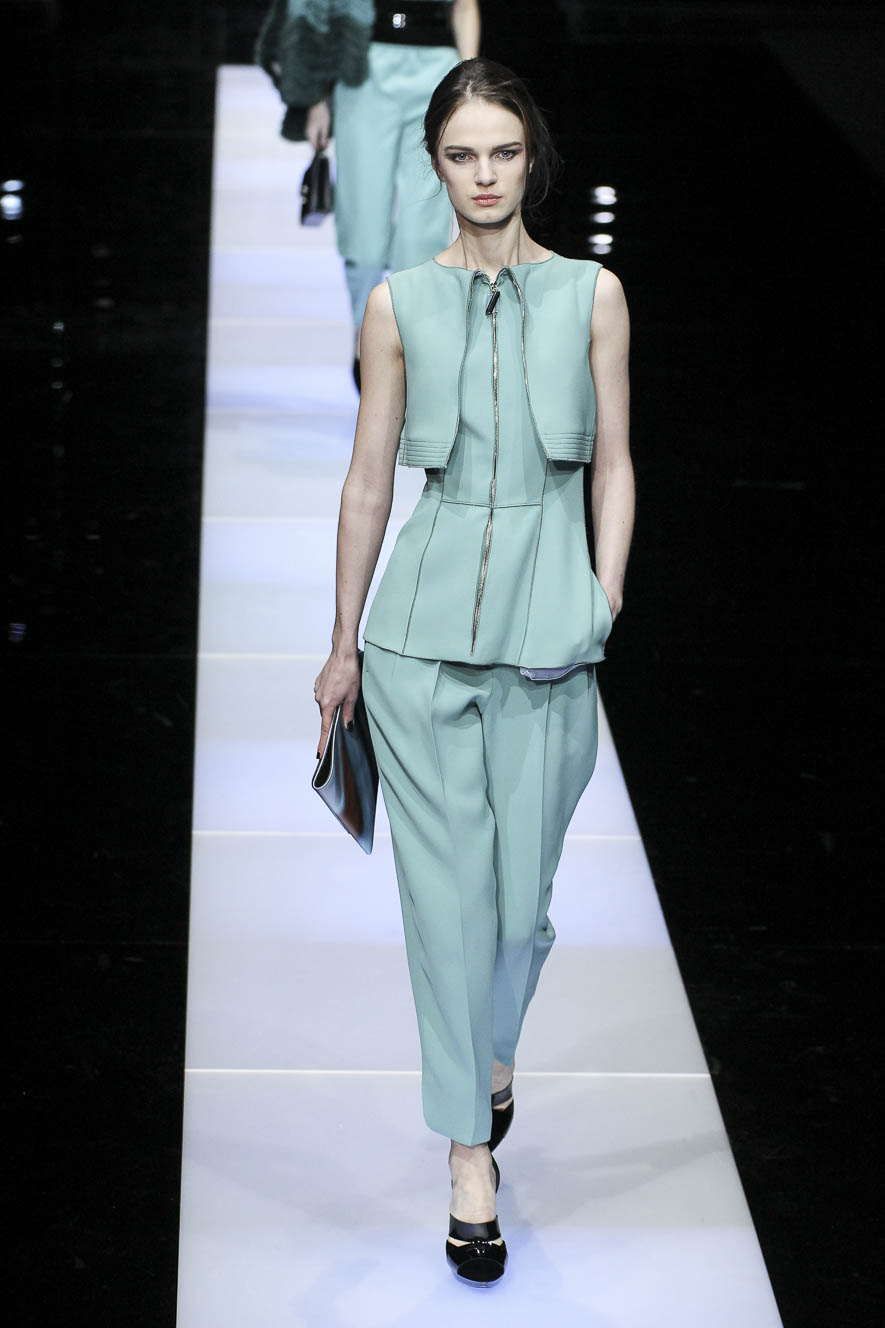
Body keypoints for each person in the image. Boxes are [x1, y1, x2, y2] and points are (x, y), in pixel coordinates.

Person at [313, 57, 634, 1286]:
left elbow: (615, 460)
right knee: (446, 905)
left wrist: (604, 596)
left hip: (553, 637)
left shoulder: (594, 294)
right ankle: (467, 1155)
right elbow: (368, 479)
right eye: (463, 154)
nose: (485, 175)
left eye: (504, 152)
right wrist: (343, 640)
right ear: (436, 164)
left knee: (518, 907)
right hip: (419, 638)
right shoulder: (398, 304)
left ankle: (492, 1054)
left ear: (530, 158)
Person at [257, 0, 481, 387]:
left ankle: (411, 346)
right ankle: (366, 338)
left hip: (439, 71)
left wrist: (470, 88)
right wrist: (317, 98)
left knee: (424, 227)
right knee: (363, 226)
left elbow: (464, 7)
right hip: (364, 65)